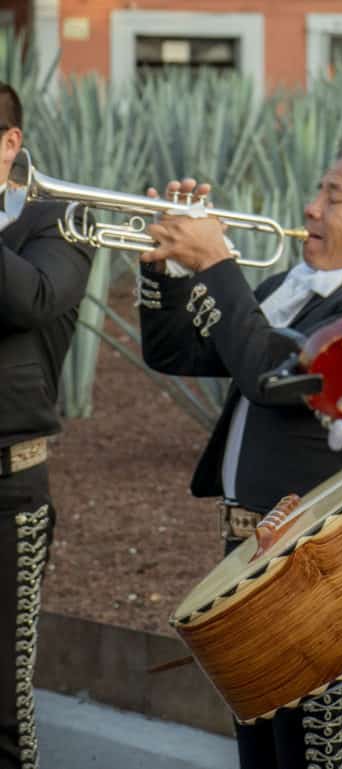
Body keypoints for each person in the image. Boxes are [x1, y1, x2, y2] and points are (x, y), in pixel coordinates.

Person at [138, 136, 342, 769]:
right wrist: (165, 270)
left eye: (334, 198)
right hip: (249, 550)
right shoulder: (292, 287)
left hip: (317, 568)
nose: (309, 209)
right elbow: (175, 355)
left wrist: (218, 264)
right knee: (260, 751)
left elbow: (270, 378)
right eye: (317, 193)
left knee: (309, 754)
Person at [0, 82, 95, 769]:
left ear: (10, 144)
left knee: (5, 708)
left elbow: (32, 298)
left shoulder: (62, 220)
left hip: (7, 491)